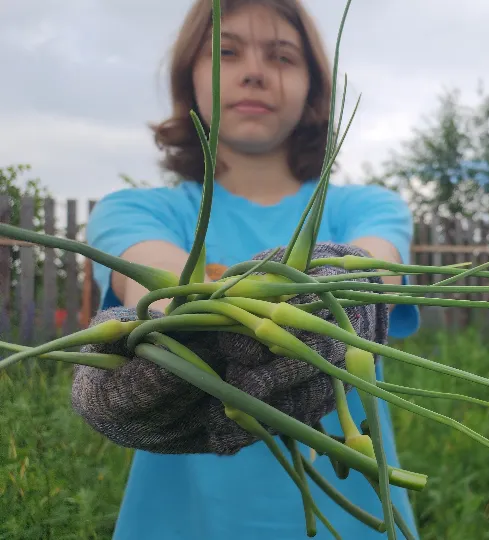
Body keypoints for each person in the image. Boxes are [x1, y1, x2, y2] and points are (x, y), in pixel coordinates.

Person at [84, 0, 420, 538]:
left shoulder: (370, 206)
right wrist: (183, 312)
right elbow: (162, 278)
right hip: (182, 522)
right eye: (227, 52)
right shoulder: (134, 211)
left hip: (357, 521)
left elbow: (375, 271)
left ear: (313, 87)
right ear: (187, 79)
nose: (255, 71)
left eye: (282, 56)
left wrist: (347, 290)